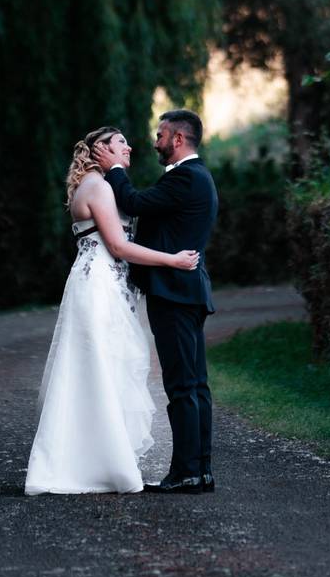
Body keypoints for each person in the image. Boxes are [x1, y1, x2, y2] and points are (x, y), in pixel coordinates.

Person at [24, 126, 200, 496]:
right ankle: (98, 465)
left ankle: (95, 461)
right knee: (98, 372)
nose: (131, 147)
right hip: (98, 288)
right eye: (121, 142)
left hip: (105, 287)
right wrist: (172, 260)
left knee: (98, 371)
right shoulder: (99, 187)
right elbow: (118, 247)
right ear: (100, 148)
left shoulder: (96, 185)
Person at [93, 110, 218, 495]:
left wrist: (114, 168)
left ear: (178, 139)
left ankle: (186, 474)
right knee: (195, 385)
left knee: (183, 386)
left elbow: (132, 201)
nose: (154, 141)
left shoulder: (185, 178)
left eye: (161, 134)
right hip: (187, 291)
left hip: (175, 294)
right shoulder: (197, 178)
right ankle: (199, 472)